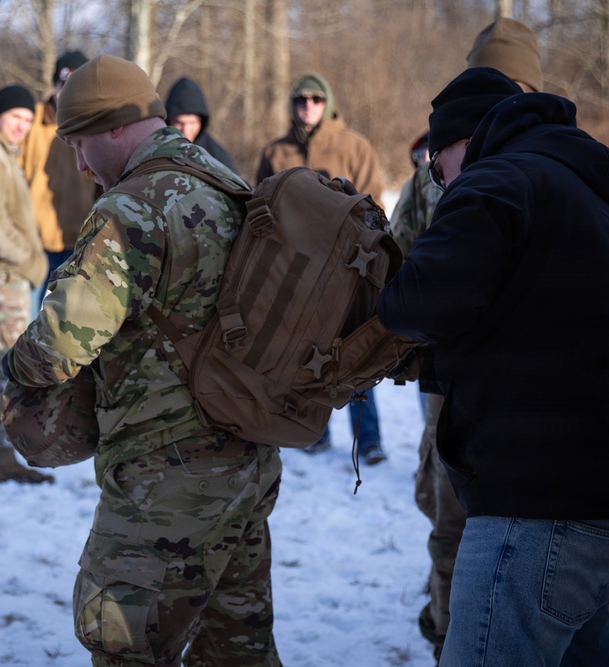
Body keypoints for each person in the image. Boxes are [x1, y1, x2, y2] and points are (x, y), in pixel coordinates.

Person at [3, 54, 283, 666]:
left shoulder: (131, 210)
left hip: (166, 483)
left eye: (79, 143)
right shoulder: (223, 182)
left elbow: (57, 346)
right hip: (246, 462)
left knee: (124, 647)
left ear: (113, 128)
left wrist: (12, 363)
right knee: (237, 651)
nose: (78, 163)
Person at [378, 67, 609, 666]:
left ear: (459, 144)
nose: (436, 180)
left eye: (435, 162)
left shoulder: (494, 181)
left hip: (532, 515)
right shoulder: (589, 185)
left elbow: (418, 301)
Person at [393, 17, 545, 658]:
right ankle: (445, 630)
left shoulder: (554, 158)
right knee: (451, 518)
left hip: (533, 393)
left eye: (512, 84)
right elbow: (395, 260)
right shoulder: (438, 168)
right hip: (451, 381)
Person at [257, 72, 387, 465]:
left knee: (355, 352)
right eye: (300, 99)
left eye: (315, 99)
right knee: (303, 351)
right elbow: (260, 207)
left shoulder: (355, 147)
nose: (307, 106)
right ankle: (312, 430)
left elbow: (375, 208)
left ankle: (368, 440)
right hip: (295, 270)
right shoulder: (277, 152)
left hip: (347, 270)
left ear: (327, 103)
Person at [0, 85, 52, 486]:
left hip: (5, 275)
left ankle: (0, 452)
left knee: (1, 367)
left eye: (28, 120)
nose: (22, 127)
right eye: (15, 118)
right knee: (3, 368)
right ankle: (2, 457)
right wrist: (26, 257)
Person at [21, 50, 100, 314]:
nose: (67, 93)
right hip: (34, 243)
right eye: (63, 86)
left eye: (75, 87)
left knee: (65, 321)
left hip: (76, 243)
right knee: (27, 320)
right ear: (54, 86)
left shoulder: (93, 125)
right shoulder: (31, 122)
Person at [164, 76, 237, 172]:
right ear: (168, 121)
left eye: (192, 123)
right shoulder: (156, 151)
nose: (185, 130)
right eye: (179, 123)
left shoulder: (216, 157)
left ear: (201, 122)